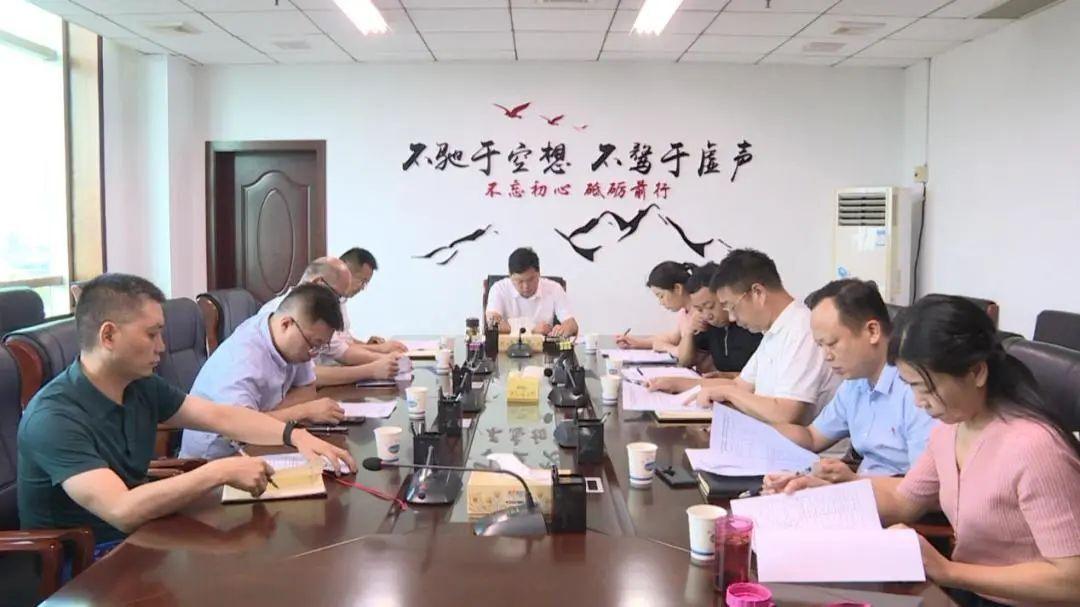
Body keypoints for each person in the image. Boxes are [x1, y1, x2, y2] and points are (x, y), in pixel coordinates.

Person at [775, 296, 1080, 607]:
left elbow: (1072, 581)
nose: (918, 402)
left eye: (926, 387)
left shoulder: (1035, 448)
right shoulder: (951, 428)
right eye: (911, 386)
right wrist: (823, 493)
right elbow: (903, 500)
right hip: (969, 593)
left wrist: (949, 571)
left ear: (976, 372)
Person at [17, 274, 354, 548]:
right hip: (83, 565)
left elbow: (220, 416)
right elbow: (121, 510)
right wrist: (218, 471)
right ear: (108, 335)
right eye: (152, 334)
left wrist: (294, 436)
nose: (162, 347)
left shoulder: (139, 386)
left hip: (142, 537)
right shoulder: (53, 418)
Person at [762, 279, 935, 488]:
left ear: (873, 331)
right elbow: (812, 437)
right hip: (861, 491)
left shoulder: (916, 389)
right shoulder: (855, 382)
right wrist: (754, 433)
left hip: (899, 501)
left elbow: (923, 488)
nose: (826, 356)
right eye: (820, 345)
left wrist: (851, 482)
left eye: (832, 343)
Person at [650, 249, 839, 425]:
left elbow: (785, 413)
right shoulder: (774, 331)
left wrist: (728, 393)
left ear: (758, 293)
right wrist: (677, 384)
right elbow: (739, 385)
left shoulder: (801, 329)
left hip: (798, 447)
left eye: (731, 306)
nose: (732, 317)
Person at [179, 283, 353, 459]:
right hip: (214, 457)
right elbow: (240, 429)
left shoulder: (293, 339)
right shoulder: (243, 359)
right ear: (286, 324)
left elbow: (308, 389)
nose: (313, 354)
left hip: (257, 443)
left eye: (321, 346)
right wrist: (303, 412)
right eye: (314, 344)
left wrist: (265, 417)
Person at [259, 257, 399, 387]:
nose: (337, 303)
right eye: (337, 296)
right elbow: (311, 376)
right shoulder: (279, 312)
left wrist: (382, 357)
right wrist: (372, 369)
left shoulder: (318, 315)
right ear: (318, 283)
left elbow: (341, 350)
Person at [616, 262, 708, 368]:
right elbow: (672, 338)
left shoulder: (700, 315)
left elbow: (686, 357)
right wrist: (637, 342)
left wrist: (666, 347)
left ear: (678, 288)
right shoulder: (684, 312)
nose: (661, 302)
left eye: (661, 296)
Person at [485, 247, 578, 337]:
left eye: (531, 279)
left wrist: (563, 329)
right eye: (520, 281)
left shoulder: (554, 288)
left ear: (539, 273)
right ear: (510, 276)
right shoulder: (499, 288)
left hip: (543, 346)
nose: (526, 286)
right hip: (508, 346)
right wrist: (531, 330)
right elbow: (492, 323)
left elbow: (572, 324)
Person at [339, 247, 406, 352]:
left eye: (366, 283)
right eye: (362, 281)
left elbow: (345, 341)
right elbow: (337, 350)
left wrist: (368, 346)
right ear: (344, 271)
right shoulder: (324, 300)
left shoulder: (341, 300)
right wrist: (379, 349)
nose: (362, 288)